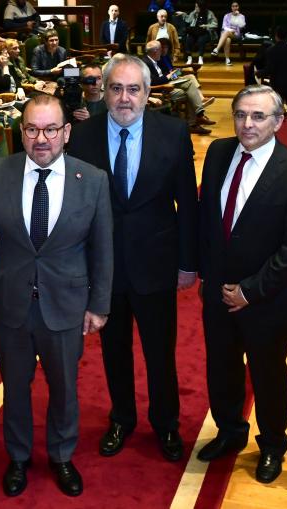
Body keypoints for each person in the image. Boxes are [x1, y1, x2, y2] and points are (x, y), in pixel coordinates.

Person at [0, 94, 113, 497]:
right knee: (14, 387)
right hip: (9, 304)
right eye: (32, 129)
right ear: (21, 132)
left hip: (67, 306)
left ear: (66, 133)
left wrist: (99, 305)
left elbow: (103, 249)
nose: (41, 139)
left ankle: (61, 456)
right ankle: (18, 457)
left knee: (64, 387)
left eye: (51, 129)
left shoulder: (94, 180)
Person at [68, 54, 199, 463]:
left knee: (161, 352)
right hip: (104, 269)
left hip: (157, 265)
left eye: (133, 89)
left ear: (146, 93)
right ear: (104, 91)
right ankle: (121, 418)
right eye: (116, 89)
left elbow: (187, 205)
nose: (124, 98)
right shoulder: (83, 137)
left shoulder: (173, 133)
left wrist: (187, 263)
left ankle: (166, 424)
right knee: (114, 350)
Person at [195, 85, 287, 483]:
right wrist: (207, 275)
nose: (247, 124)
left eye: (258, 116)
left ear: (279, 121)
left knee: (267, 374)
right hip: (217, 292)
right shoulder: (216, 154)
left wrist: (250, 289)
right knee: (222, 368)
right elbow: (207, 220)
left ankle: (272, 444)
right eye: (241, 115)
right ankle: (229, 431)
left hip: (265, 299)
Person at [143, 40, 215, 135]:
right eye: (161, 49)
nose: (163, 51)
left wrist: (172, 74)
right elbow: (152, 82)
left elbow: (164, 73)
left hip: (168, 84)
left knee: (190, 89)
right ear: (155, 51)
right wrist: (168, 76)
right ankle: (197, 116)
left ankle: (194, 121)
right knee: (190, 85)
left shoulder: (156, 60)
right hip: (161, 89)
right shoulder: (145, 63)